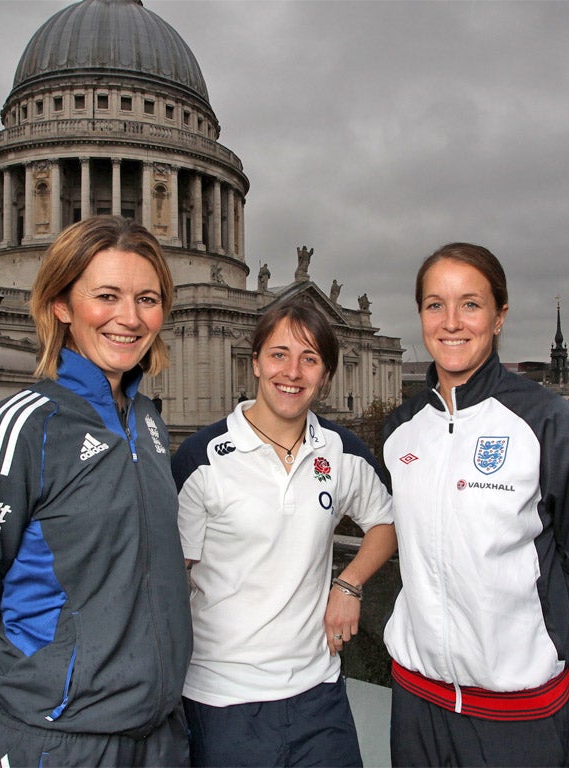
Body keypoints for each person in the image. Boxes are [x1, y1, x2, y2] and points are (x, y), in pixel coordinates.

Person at [0, 216, 192, 767]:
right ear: (61, 306)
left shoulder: (147, 421)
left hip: (158, 732)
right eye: (107, 296)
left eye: (147, 298)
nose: (130, 318)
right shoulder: (24, 425)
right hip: (59, 738)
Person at [382, 243, 569, 767]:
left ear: (499, 317)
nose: (451, 322)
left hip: (518, 716)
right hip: (414, 705)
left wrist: (540, 638)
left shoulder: (551, 422)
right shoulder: (399, 429)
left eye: (470, 304)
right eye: (434, 305)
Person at [172, 300, 397, 767]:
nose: (292, 372)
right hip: (222, 700)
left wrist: (349, 583)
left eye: (309, 358)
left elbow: (387, 522)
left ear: (326, 374)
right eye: (278, 354)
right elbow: (170, 581)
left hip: (320, 693)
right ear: (254, 361)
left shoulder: (341, 450)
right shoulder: (200, 458)